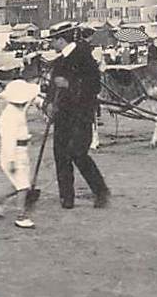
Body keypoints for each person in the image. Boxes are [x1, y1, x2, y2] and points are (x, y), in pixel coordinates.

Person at [46, 21, 111, 209]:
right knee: (60, 155)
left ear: (61, 40)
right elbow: (53, 85)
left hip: (80, 115)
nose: (50, 44)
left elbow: (94, 87)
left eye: (52, 40)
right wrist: (49, 103)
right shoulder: (58, 61)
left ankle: (101, 191)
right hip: (62, 115)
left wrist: (70, 86)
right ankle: (67, 197)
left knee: (78, 153)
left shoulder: (84, 57)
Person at [0, 79, 43, 229]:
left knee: (20, 184)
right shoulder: (9, 116)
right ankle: (21, 215)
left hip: (22, 150)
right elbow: (8, 140)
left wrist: (40, 102)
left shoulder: (20, 108)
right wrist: (11, 160)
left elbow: (32, 98)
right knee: (23, 186)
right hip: (13, 153)